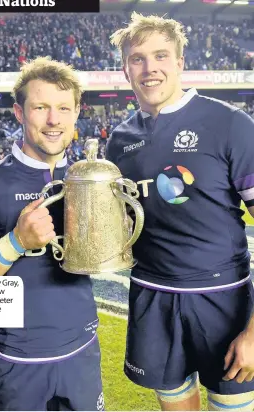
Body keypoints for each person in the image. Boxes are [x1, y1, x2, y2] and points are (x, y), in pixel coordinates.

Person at [106, 12, 254, 411]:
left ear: (180, 63)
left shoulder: (229, 124)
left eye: (161, 55)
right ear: (125, 70)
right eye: (137, 58)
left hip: (223, 298)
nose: (149, 67)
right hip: (153, 297)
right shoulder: (119, 142)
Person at [0, 57, 104, 411]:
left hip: (83, 350)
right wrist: (16, 243)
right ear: (20, 113)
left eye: (63, 108)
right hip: (18, 361)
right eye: (40, 107)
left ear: (76, 113)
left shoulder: (85, 178)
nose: (53, 120)